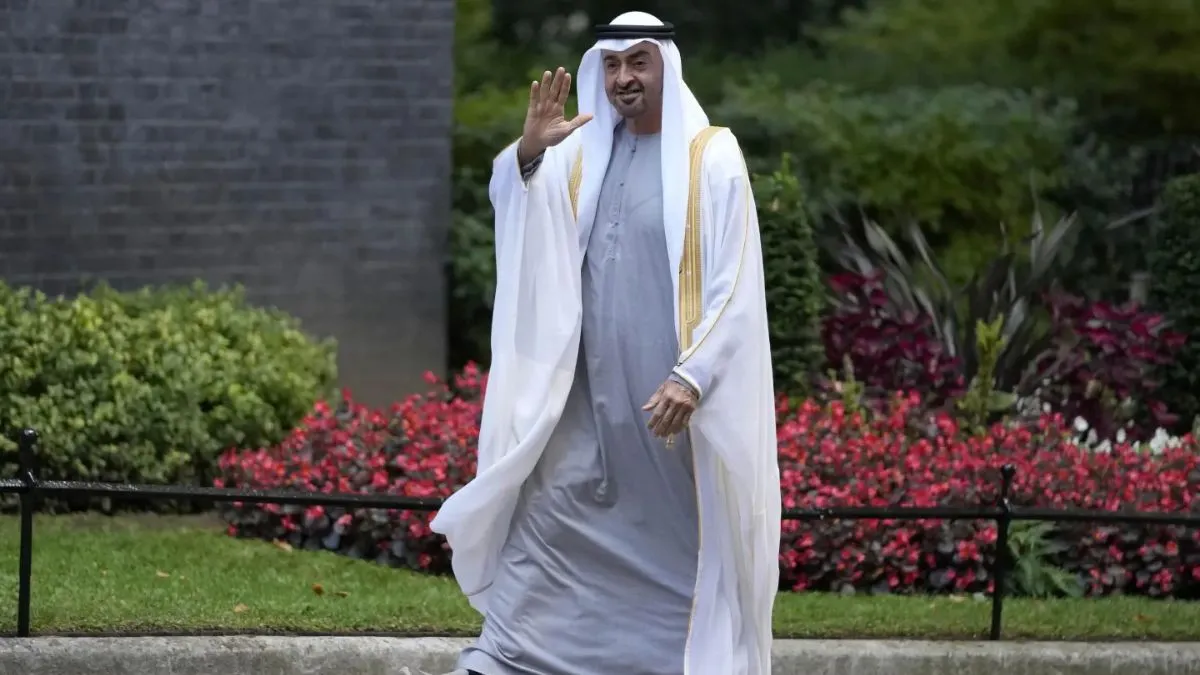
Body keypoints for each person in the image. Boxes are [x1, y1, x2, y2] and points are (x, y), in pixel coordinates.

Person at [430, 11, 780, 675]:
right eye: (613, 65)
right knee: (549, 515)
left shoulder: (712, 158)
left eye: (638, 62)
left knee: (681, 545)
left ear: (666, 68)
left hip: (668, 415)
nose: (624, 78)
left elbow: (736, 284)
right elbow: (516, 200)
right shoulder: (580, 154)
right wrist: (528, 151)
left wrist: (694, 375)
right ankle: (505, 659)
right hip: (581, 403)